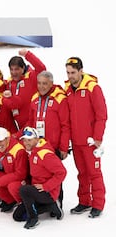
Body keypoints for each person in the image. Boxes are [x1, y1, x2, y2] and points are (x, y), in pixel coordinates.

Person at [64, 57, 107, 218]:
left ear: (81, 71)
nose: (70, 76)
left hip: (90, 142)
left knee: (94, 173)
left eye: (73, 72)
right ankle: (84, 201)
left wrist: (97, 137)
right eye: (68, 72)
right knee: (82, 173)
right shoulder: (67, 89)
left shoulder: (92, 88)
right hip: (76, 141)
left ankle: (98, 204)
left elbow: (101, 115)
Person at [22, 70, 70, 207]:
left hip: (53, 145)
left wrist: (64, 147)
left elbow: (65, 125)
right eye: (39, 83)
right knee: (37, 173)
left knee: (56, 173)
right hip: (36, 144)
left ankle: (57, 201)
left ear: (51, 84)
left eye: (45, 83)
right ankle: (40, 203)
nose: (41, 86)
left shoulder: (60, 98)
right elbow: (30, 122)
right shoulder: (34, 98)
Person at [17, 127, 66, 229]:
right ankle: (51, 207)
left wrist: (46, 186)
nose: (26, 143)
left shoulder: (45, 154)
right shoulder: (32, 151)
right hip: (37, 190)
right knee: (17, 216)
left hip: (48, 192)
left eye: (29, 140)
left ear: (36, 139)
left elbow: (62, 172)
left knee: (24, 190)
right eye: (24, 140)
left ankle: (33, 218)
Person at [3, 49, 46, 130]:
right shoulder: (9, 83)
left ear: (23, 68)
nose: (13, 72)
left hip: (34, 124)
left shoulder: (31, 77)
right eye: (11, 69)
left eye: (16, 69)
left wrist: (28, 54)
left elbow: (42, 68)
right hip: (19, 127)